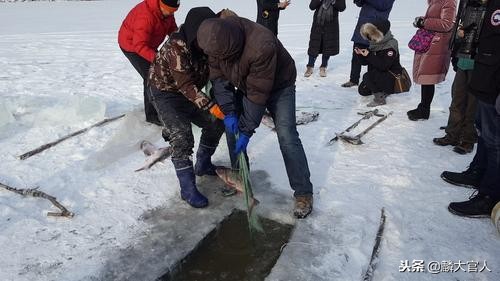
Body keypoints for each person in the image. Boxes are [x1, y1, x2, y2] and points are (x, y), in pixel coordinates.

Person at [197, 17, 315, 219]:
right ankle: (240, 178)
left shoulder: (261, 44)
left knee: (287, 136)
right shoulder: (214, 43)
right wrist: (230, 112)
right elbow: (219, 80)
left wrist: (246, 130)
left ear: (232, 47)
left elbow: (257, 94)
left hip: (280, 86)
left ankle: (303, 193)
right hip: (247, 83)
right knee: (231, 129)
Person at [147, 7, 226, 208]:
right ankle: (187, 189)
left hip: (189, 91)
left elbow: (215, 73)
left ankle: (203, 163)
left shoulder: (206, 45)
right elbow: (186, 86)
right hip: (166, 93)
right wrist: (211, 106)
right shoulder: (177, 48)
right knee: (182, 135)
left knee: (215, 124)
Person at [444, 0, 500, 218]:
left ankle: (489, 196)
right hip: (485, 77)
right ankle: (478, 173)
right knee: (485, 133)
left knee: (496, 142)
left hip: (495, 83)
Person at [118, 0, 179, 125]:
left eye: (173, 12)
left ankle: (166, 102)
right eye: (168, 10)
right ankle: (152, 116)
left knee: (159, 72)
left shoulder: (167, 12)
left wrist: (179, 43)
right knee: (151, 76)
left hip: (148, 44)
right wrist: (159, 59)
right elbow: (139, 45)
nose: (170, 13)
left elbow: (172, 29)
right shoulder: (145, 16)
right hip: (132, 46)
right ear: (161, 5)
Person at [433, 0, 479, 154]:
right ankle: (452, 134)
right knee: (457, 98)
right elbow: (460, 22)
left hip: (480, 61)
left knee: (472, 104)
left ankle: (467, 139)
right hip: (463, 57)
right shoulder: (466, 3)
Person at [406, 0, 457, 121]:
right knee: (426, 77)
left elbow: (447, 24)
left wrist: (424, 22)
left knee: (428, 77)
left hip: (436, 44)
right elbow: (435, 18)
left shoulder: (448, 2)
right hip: (431, 42)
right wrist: (421, 20)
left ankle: (424, 109)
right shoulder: (436, 1)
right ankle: (423, 108)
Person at [341, 0, 395, 87]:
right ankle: (353, 79)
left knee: (373, 58)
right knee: (356, 55)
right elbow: (359, 4)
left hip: (376, 28)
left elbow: (382, 5)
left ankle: (372, 82)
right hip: (362, 25)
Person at [356, 19, 403, 107]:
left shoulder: (390, 45)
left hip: (392, 75)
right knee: (363, 90)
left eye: (371, 35)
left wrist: (369, 55)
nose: (370, 39)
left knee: (367, 76)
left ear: (379, 34)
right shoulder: (375, 45)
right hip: (379, 74)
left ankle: (380, 99)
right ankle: (383, 90)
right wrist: (360, 54)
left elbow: (384, 66)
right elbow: (365, 63)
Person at [304, 0, 346, 78]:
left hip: (331, 25)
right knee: (314, 45)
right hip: (318, 24)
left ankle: (323, 66)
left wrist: (333, 2)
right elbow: (311, 7)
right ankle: (310, 66)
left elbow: (342, 8)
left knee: (328, 46)